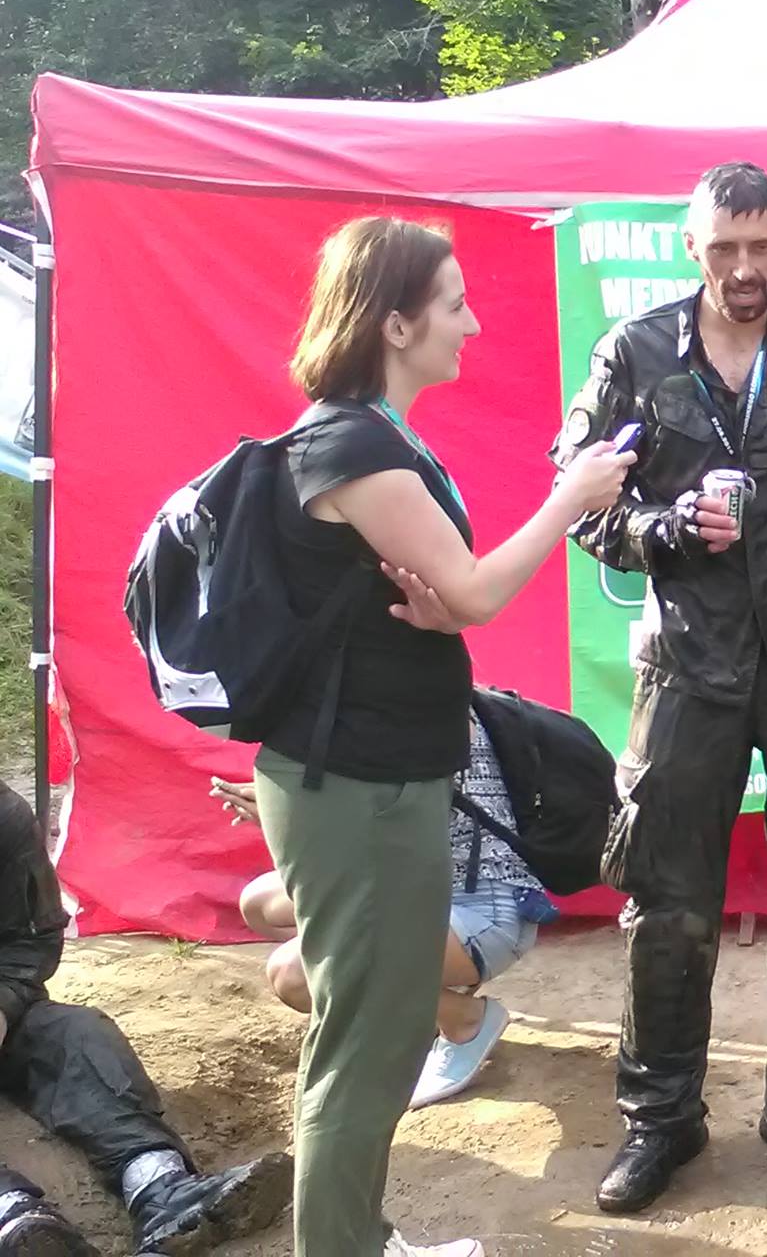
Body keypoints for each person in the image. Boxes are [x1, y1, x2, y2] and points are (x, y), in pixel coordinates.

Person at [261, 214, 633, 1257]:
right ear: (394, 323)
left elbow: (433, 600)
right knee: (366, 1040)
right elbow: (472, 592)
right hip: (357, 781)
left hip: (378, 772)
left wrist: (439, 618)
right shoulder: (353, 444)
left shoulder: (375, 439)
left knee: (373, 1030)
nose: (471, 325)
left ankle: (359, 1237)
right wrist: (570, 498)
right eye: (454, 306)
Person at [555, 162, 767, 1214]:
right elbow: (580, 497)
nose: (744, 268)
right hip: (688, 666)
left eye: (762, 245)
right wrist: (663, 530)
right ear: (690, 245)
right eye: (724, 248)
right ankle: (661, 1121)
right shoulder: (635, 352)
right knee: (667, 904)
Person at [0, 781, 291, 1256]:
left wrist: (3, 1003)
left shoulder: (3, 816)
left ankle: (161, 1189)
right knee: (17, 1227)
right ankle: (14, 1219)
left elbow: (31, 940)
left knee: (75, 1032)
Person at [215, 710, 556, 1112]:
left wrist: (292, 822)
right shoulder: (392, 705)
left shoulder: (418, 719)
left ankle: (463, 1019)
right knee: (260, 903)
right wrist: (282, 816)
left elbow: (379, 842)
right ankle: (408, 990)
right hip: (417, 888)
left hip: (482, 912)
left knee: (295, 974)